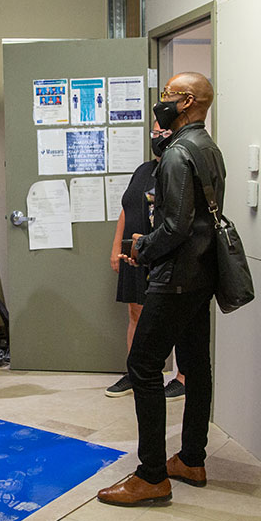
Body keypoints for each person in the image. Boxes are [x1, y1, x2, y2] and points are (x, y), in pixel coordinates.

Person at [98, 72, 225, 506]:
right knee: (195, 365)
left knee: (143, 365)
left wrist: (143, 249)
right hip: (202, 277)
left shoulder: (175, 156)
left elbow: (174, 226)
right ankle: (192, 457)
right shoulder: (209, 149)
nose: (163, 101)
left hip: (174, 279)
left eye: (169, 94)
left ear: (187, 101)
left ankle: (152, 475)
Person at [105, 122, 186, 401]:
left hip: (162, 255)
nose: (158, 137)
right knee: (135, 312)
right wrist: (117, 247)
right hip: (134, 255)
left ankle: (182, 377)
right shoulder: (143, 171)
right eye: (155, 132)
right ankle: (134, 372)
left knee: (172, 317)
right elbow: (127, 210)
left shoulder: (177, 170)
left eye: (164, 132)